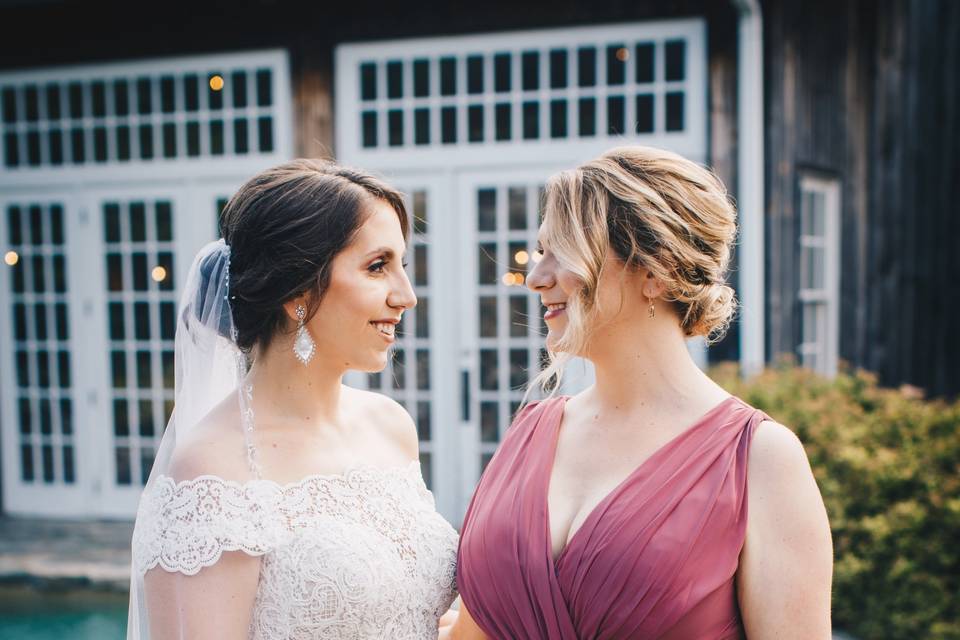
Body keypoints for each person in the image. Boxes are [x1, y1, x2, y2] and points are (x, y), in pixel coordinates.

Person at [447, 146, 833, 639]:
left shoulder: (758, 458)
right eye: (540, 251)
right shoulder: (529, 432)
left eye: (560, 251)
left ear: (656, 270)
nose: (536, 278)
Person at [128, 159, 458, 639]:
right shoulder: (211, 469)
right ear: (297, 290)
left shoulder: (391, 425)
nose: (405, 295)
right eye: (378, 267)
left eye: (401, 265)